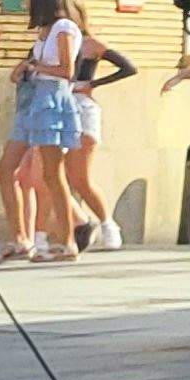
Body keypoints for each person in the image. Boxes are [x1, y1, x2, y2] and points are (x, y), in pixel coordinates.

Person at [0, 0, 88, 264]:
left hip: (51, 100)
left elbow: (67, 70)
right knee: (4, 170)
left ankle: (67, 242)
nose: (24, 2)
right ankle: (20, 238)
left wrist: (35, 66)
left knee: (52, 173)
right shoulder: (43, 30)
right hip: (32, 100)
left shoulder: (64, 28)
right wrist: (25, 68)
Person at [57, 15, 133, 252]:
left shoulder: (91, 44)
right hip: (57, 106)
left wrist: (94, 83)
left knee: (79, 177)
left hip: (82, 106)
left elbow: (128, 68)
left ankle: (108, 224)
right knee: (50, 175)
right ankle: (75, 226)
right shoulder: (52, 42)